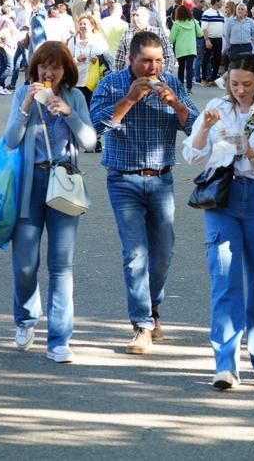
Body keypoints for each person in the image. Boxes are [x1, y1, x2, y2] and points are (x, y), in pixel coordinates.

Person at [90, 31, 199, 355]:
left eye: (159, 61)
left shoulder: (171, 82)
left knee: (163, 253)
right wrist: (129, 100)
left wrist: (175, 103)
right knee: (135, 254)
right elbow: (94, 129)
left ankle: (153, 308)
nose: (154, 69)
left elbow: (194, 126)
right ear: (131, 60)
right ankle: (141, 325)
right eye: (147, 62)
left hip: (161, 178)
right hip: (123, 179)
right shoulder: (111, 84)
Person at [186, 54, 254, 389]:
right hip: (223, 197)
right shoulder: (217, 106)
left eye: (246, 83)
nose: (240, 90)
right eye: (234, 83)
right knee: (225, 277)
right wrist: (204, 127)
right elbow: (192, 155)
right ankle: (225, 363)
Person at [3, 42, 96, 363]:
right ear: (36, 68)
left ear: (65, 70)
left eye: (55, 67)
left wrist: (70, 116)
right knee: (25, 263)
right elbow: (11, 140)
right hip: (30, 183)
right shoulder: (23, 94)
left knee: (61, 266)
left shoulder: (75, 97)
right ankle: (26, 319)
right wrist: (26, 106)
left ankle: (59, 339)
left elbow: (90, 141)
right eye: (44, 66)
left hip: (65, 183)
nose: (49, 72)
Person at [114, 6, 176, 76]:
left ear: (147, 17)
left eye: (138, 16)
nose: (135, 18)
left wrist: (166, 75)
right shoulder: (127, 34)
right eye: (133, 15)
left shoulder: (158, 33)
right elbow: (119, 60)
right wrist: (120, 78)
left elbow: (170, 56)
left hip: (154, 77)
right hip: (132, 78)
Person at [69, 14, 108, 107]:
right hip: (78, 81)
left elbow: (107, 58)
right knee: (80, 108)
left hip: (95, 82)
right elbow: (66, 61)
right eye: (80, 24)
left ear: (92, 26)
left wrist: (97, 60)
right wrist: (76, 59)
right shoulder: (73, 41)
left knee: (93, 107)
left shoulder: (99, 40)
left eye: (84, 24)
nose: (82, 26)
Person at [169, 4, 203, 92]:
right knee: (189, 67)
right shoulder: (194, 22)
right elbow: (200, 34)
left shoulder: (176, 24)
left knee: (181, 67)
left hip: (180, 49)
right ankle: (189, 87)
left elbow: (172, 38)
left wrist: (169, 45)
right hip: (191, 48)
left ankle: (180, 87)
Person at [0, 5, 20, 96]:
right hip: (7, 44)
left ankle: (2, 87)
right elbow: (16, 32)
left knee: (2, 65)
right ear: (9, 11)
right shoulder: (8, 21)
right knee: (9, 67)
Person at [200, 0, 225, 86]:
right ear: (216, 2)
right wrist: (207, 40)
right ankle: (203, 78)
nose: (222, 3)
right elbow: (204, 28)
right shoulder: (207, 13)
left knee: (217, 59)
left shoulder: (221, 14)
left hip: (219, 39)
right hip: (210, 39)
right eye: (221, 1)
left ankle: (213, 78)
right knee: (206, 59)